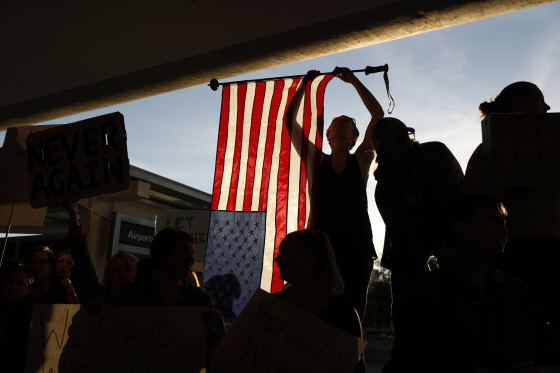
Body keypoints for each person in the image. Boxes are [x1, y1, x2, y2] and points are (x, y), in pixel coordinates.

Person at [387, 193, 556, 372]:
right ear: (459, 227)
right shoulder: (425, 294)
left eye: (504, 223)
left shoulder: (519, 293)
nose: (503, 230)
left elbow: (545, 356)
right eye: (493, 220)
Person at [463, 81, 559, 327]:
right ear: (518, 106)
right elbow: (469, 201)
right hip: (511, 252)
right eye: (539, 99)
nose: (547, 107)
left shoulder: (552, 152)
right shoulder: (486, 153)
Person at [371, 117, 464, 342]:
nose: (405, 143)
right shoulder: (384, 193)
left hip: (457, 232)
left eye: (405, 135)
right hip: (409, 247)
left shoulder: (439, 155)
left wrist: (454, 243)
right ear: (383, 153)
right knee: (406, 303)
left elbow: (465, 197)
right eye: (395, 142)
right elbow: (405, 236)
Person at [312, 66, 385, 320]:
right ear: (328, 135)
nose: (341, 121)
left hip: (357, 250)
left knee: (351, 318)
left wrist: (353, 80)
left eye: (349, 122)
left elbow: (377, 114)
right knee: (320, 317)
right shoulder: (316, 160)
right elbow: (291, 124)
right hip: (322, 250)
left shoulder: (362, 158)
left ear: (355, 136)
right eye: (335, 121)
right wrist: (305, 87)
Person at [116, 227, 225, 359]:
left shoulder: (201, 300)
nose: (191, 258)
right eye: (183, 252)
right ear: (162, 257)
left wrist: (219, 330)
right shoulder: (130, 295)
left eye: (192, 252)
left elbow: (208, 353)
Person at [274, 229, 366, 373]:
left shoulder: (343, 313)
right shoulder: (271, 305)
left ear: (308, 257)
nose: (277, 259)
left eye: (285, 252)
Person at [63, 199, 138, 304]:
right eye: (117, 270)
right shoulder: (97, 295)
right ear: (109, 274)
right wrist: (74, 216)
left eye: (129, 271)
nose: (123, 275)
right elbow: (82, 259)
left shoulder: (145, 302)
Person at [0, 262, 34, 373]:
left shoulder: (32, 316)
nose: (13, 287)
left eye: (20, 283)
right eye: (9, 282)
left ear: (29, 289)